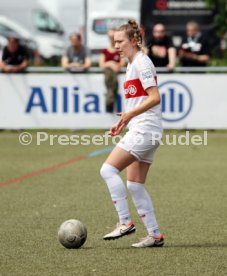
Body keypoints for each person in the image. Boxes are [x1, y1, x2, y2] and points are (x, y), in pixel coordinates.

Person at [100, 20, 164, 248]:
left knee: (107, 169)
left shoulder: (142, 63)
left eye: (120, 41)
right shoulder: (131, 64)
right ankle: (155, 235)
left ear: (134, 40)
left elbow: (154, 98)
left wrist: (128, 116)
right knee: (135, 185)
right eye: (114, 41)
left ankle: (125, 222)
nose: (115, 46)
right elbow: (138, 102)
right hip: (145, 128)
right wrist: (123, 122)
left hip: (146, 129)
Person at [99, 28, 125, 112]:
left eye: (112, 36)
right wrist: (110, 64)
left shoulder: (120, 50)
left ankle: (110, 100)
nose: (111, 38)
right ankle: (110, 100)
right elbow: (101, 65)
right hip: (108, 76)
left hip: (116, 76)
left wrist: (115, 65)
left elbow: (122, 63)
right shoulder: (104, 51)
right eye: (109, 36)